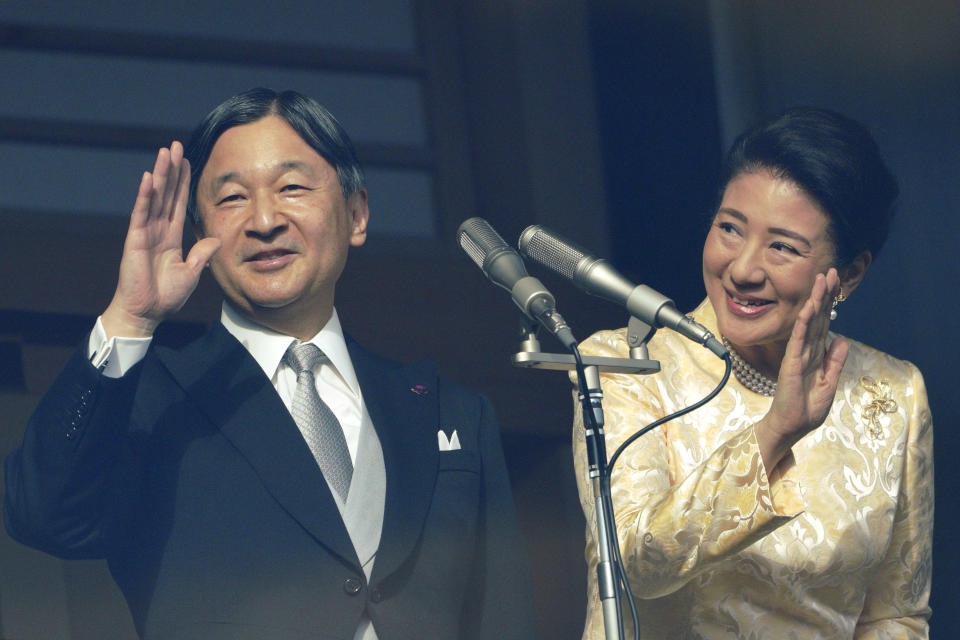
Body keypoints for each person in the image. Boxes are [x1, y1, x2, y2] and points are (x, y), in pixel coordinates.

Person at [4, 88, 537, 640]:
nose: (263, 219)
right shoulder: (154, 399)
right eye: (232, 198)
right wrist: (130, 316)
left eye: (292, 188)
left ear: (356, 214)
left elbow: (503, 618)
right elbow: (45, 515)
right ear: (199, 231)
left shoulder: (451, 412)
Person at [572, 107, 932, 638]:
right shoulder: (624, 363)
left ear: (849, 274)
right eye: (730, 229)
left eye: (783, 247)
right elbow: (634, 563)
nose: (742, 269)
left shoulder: (894, 392)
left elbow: (896, 614)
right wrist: (773, 433)